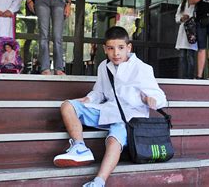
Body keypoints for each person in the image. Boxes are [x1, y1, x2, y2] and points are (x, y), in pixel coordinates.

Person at [53, 26, 167, 187]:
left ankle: (98, 182)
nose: (116, 53)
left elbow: (161, 98)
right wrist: (87, 99)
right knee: (68, 105)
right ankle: (79, 147)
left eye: (121, 48)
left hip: (130, 118)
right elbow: (99, 92)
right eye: (111, 48)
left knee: (113, 141)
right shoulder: (103, 67)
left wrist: (151, 99)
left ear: (129, 47)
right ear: (105, 49)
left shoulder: (142, 68)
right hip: (108, 110)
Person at [175, 0, 197, 79]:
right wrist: (181, 18)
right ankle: (183, 77)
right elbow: (176, 18)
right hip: (183, 31)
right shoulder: (182, 5)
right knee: (182, 56)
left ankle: (190, 77)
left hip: (191, 31)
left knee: (190, 56)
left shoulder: (196, 4)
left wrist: (191, 18)